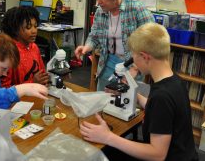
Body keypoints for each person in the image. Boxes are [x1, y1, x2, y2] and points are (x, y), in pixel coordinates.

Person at [80, 23, 198, 161]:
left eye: (133, 57)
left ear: (145, 56)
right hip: (184, 154)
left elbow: (157, 154)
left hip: (165, 156)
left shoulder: (161, 97)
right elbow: (164, 113)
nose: (133, 62)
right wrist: (135, 96)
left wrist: (108, 137)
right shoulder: (174, 81)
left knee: (103, 152)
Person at [75, 0, 154, 91]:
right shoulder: (100, 12)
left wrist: (136, 68)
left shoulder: (137, 10)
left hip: (133, 64)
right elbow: (95, 35)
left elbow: (152, 42)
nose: (98, 1)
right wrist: (87, 47)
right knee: (103, 99)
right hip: (108, 61)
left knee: (127, 102)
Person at [1, 6, 49, 87]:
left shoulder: (34, 47)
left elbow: (42, 73)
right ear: (15, 29)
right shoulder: (9, 51)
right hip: (19, 98)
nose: (34, 31)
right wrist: (32, 82)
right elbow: (4, 89)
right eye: (28, 27)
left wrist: (44, 80)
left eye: (35, 26)